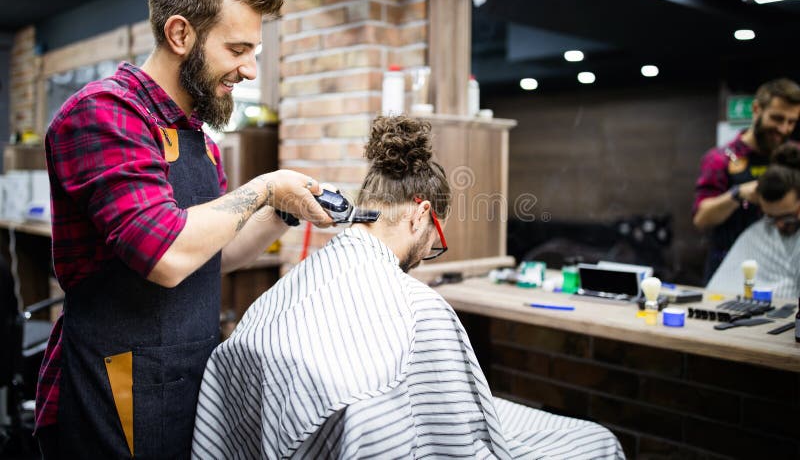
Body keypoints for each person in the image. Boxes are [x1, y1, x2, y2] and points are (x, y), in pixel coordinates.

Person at [34, 0, 332, 459]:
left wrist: (285, 210)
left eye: (255, 52)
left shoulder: (197, 136)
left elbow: (215, 254)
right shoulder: (105, 114)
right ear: (180, 34)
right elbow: (167, 256)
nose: (251, 69)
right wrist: (263, 188)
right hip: (118, 378)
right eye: (238, 49)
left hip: (189, 371)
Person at [192, 116, 623, 459]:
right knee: (597, 441)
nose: (430, 250)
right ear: (420, 216)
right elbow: (460, 442)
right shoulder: (420, 312)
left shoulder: (293, 287)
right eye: (436, 239)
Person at [693, 78, 800, 282]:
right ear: (757, 109)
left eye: (792, 122)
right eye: (777, 118)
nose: (784, 128)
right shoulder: (721, 159)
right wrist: (738, 193)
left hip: (787, 269)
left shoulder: (795, 154)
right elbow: (701, 218)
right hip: (731, 268)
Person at [707, 143, 800, 299]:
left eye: (787, 217)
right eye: (770, 218)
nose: (778, 225)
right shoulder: (757, 234)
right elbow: (718, 294)